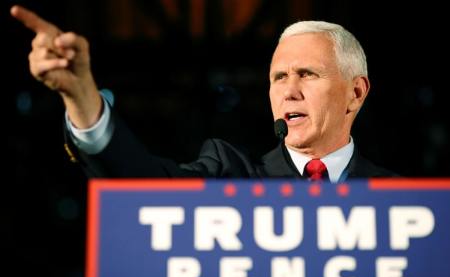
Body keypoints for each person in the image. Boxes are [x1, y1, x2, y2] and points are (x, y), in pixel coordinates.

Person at [11, 5, 396, 182]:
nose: (288, 91)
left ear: (355, 93)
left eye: (307, 74)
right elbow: (142, 182)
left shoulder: (401, 199)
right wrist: (82, 98)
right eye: (278, 78)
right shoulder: (232, 176)